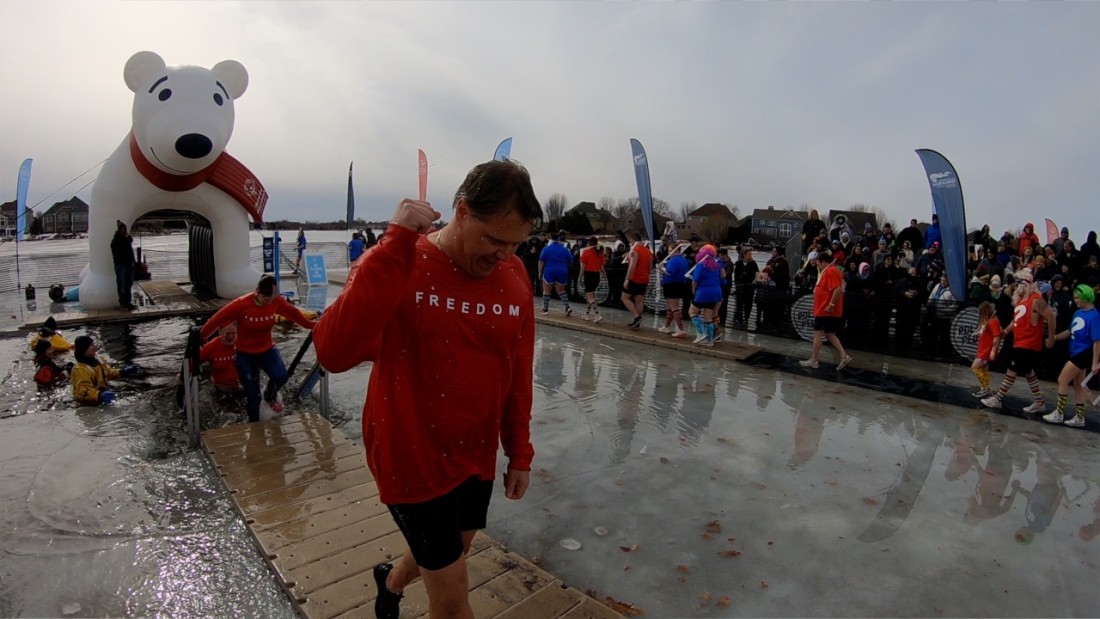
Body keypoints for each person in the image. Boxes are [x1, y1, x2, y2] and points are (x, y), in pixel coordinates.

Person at [312, 159, 540, 619]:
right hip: (409, 450)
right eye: (495, 239)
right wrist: (393, 242)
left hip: (474, 454)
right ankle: (396, 584)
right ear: (461, 210)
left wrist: (519, 452)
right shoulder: (402, 259)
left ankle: (391, 582)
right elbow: (333, 353)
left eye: (516, 244)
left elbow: (518, 371)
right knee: (453, 597)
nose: (504, 254)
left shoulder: (514, 275)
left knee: (456, 548)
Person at [200, 274, 317, 422]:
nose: (269, 303)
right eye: (266, 299)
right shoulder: (241, 304)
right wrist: (200, 336)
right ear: (257, 292)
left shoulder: (276, 301)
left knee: (281, 376)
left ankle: (270, 396)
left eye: (272, 299)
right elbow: (216, 320)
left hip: (267, 350)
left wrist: (313, 326)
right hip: (245, 355)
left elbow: (294, 315)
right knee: (253, 398)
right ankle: (254, 427)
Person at [982, 269, 1056, 413]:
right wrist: (1005, 332)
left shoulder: (1036, 299)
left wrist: (1051, 337)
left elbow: (1051, 317)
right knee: (1028, 372)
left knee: (1012, 369)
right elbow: (1015, 320)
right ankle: (1039, 401)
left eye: (1020, 282)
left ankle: (998, 398)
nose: (1017, 286)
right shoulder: (1021, 301)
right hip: (1020, 340)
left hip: (1028, 342)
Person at [1042, 285, 1100, 428]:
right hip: (1076, 352)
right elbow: (1069, 331)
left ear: (1086, 297)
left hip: (1083, 353)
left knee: (1062, 379)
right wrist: (1054, 337)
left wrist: (1094, 363)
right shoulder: (1078, 313)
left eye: (1077, 298)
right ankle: (1080, 417)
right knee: (1078, 386)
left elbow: (1097, 341)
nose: (1075, 301)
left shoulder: (1094, 316)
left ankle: (1059, 413)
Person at [799, 251, 853, 370]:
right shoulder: (831, 270)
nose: (817, 265)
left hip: (825, 309)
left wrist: (831, 304)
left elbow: (837, 289)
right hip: (825, 308)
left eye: (818, 262)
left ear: (822, 261)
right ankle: (844, 356)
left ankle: (814, 360)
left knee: (818, 333)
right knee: (829, 334)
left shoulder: (831, 271)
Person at [70, 335, 142, 405]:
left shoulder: (99, 360)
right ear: (84, 349)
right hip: (91, 404)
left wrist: (122, 372)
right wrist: (99, 395)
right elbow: (81, 392)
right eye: (91, 345)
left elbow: (107, 373)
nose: (94, 347)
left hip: (104, 394)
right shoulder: (80, 370)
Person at [688, 244, 723, 346]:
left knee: (692, 312)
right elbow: (722, 276)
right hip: (716, 292)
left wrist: (693, 290)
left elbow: (695, 281)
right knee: (708, 317)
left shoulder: (701, 265)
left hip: (703, 292)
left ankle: (701, 333)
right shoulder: (716, 265)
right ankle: (710, 340)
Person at [620, 232, 653, 330]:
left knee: (624, 297)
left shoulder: (635, 250)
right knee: (639, 300)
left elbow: (632, 266)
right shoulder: (648, 251)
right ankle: (637, 323)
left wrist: (627, 279)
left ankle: (636, 317)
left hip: (635, 278)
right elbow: (650, 266)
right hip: (644, 278)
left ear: (632, 239)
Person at [657, 242, 691, 338]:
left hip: (672, 284)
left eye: (670, 251)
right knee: (669, 306)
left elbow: (670, 272)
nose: (669, 253)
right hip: (681, 283)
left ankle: (680, 329)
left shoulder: (674, 260)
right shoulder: (684, 260)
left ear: (676, 250)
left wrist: (662, 268)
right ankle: (666, 326)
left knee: (674, 306)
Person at [971, 302, 1004, 398]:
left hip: (986, 351)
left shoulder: (992, 321)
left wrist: (993, 351)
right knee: (983, 370)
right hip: (984, 350)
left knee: (975, 367)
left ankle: (985, 388)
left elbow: (997, 336)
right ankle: (985, 388)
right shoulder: (991, 320)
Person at [538, 232, 574, 316]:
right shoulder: (565, 249)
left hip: (549, 269)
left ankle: (545, 309)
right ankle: (567, 307)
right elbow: (571, 260)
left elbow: (541, 261)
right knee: (561, 290)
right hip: (562, 270)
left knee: (546, 290)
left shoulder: (546, 248)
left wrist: (540, 272)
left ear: (551, 238)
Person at [201, 323, 242, 393]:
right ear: (219, 331)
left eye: (234, 333)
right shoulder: (211, 347)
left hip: (241, 389)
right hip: (219, 391)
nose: (231, 337)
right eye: (228, 334)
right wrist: (181, 381)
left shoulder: (243, 343)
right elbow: (191, 363)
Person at [578, 235, 607, 324]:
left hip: (589, 275)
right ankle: (587, 314)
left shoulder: (586, 252)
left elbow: (582, 267)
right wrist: (605, 275)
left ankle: (598, 315)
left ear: (589, 243)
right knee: (591, 296)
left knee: (590, 297)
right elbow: (602, 266)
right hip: (596, 275)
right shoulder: (599, 253)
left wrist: (580, 277)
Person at [111, 221, 137, 310]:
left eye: (126, 229)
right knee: (122, 285)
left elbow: (130, 253)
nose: (125, 231)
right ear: (120, 230)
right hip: (121, 265)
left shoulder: (126, 241)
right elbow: (120, 252)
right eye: (124, 229)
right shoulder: (116, 241)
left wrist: (133, 263)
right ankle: (123, 303)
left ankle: (128, 302)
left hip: (128, 265)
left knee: (128, 284)